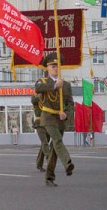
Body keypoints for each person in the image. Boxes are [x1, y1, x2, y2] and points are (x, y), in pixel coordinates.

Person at [35, 53, 75, 187]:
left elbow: (70, 103)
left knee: (53, 150)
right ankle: (68, 163)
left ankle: (49, 177)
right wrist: (54, 85)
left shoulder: (66, 85)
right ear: (47, 68)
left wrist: (67, 114)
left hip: (60, 119)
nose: (56, 69)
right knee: (57, 140)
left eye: (58, 66)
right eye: (53, 66)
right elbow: (37, 88)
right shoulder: (43, 81)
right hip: (47, 118)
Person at [32, 93, 50, 172]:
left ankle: (39, 164)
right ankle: (49, 159)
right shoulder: (36, 96)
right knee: (45, 142)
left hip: (48, 123)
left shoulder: (48, 97)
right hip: (39, 123)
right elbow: (33, 100)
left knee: (44, 144)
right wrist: (40, 95)